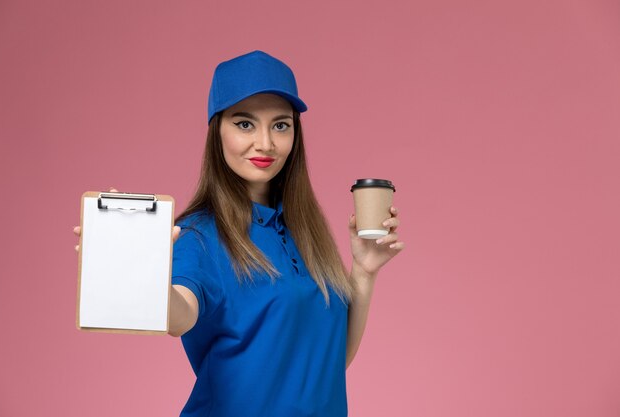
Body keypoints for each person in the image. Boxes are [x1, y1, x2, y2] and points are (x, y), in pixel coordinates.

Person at [74, 50, 404, 417]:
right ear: (218, 132)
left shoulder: (305, 232)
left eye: (280, 125)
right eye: (245, 123)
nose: (265, 143)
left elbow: (330, 363)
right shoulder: (199, 235)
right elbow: (177, 316)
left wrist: (364, 270)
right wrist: (136, 263)